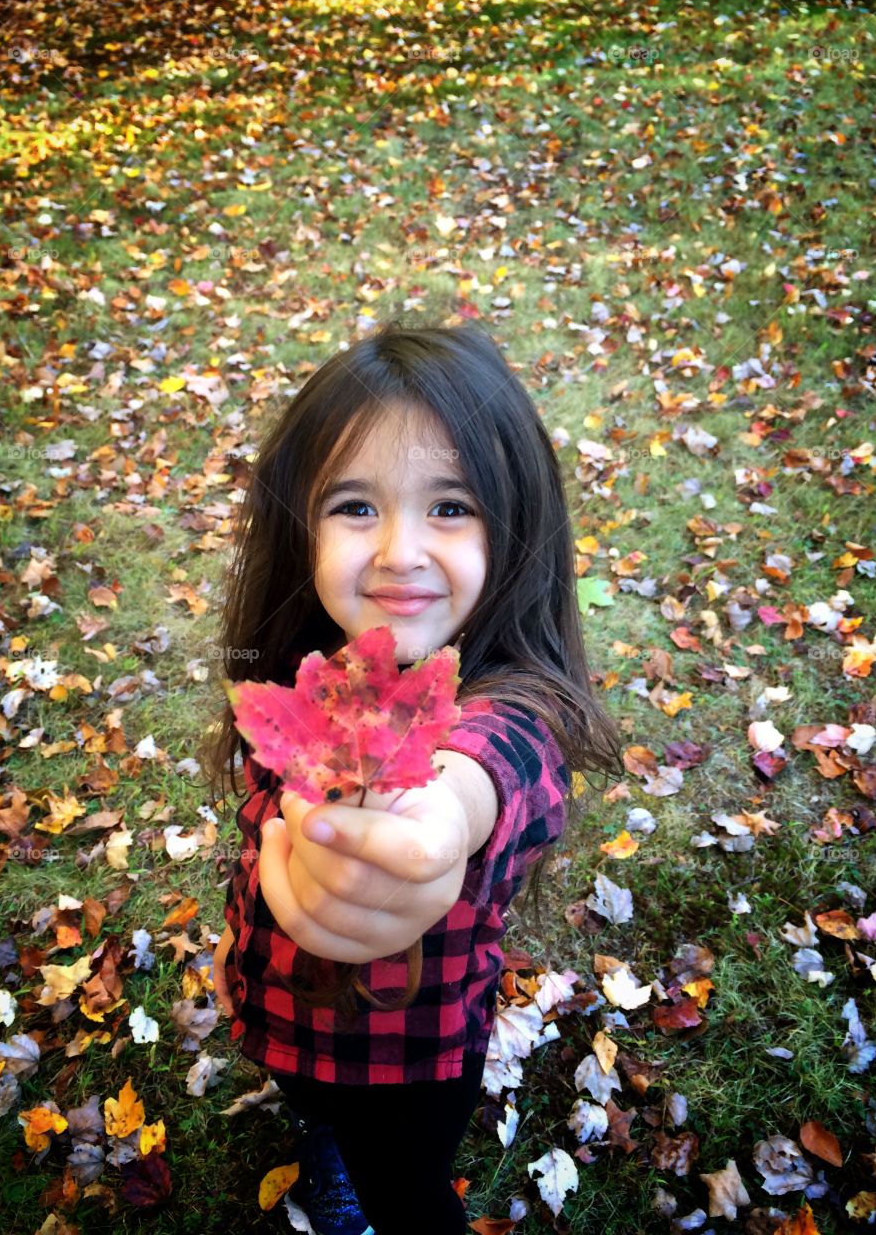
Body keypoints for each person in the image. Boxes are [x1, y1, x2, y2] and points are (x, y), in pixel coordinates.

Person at [201, 317, 623, 1234]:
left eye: (450, 505)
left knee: (404, 1186)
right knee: (319, 1109)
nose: (398, 552)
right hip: (278, 1009)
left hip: (413, 1054)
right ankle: (325, 1135)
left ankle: (372, 1176)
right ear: (298, 526)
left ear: (514, 523)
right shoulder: (296, 675)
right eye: (355, 506)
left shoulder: (511, 704)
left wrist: (438, 823)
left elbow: (486, 773)